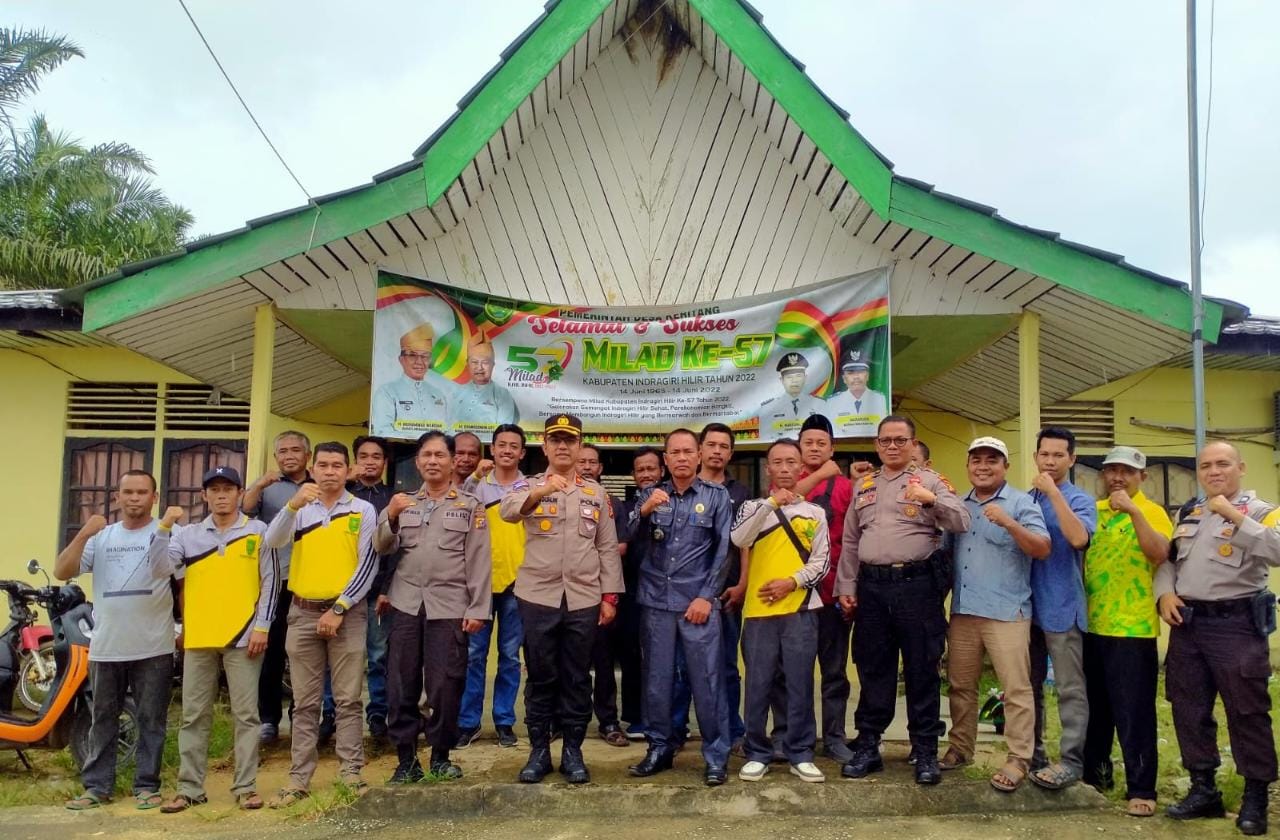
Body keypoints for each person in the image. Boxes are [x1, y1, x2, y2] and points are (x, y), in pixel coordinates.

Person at [1157, 441, 1280, 835]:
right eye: (1206, 465)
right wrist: (1165, 593)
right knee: (1188, 709)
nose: (1214, 471)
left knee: (1246, 712)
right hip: (1189, 625)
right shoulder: (1190, 510)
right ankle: (1203, 789)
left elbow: (1278, 550)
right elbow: (1168, 561)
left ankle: (1256, 798)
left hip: (1236, 624)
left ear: (1240, 467)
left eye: (1223, 464)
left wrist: (1233, 515)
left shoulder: (1263, 511)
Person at [837, 416, 969, 785]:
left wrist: (931, 502)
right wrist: (846, 586)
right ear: (877, 445)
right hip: (873, 588)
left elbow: (962, 519)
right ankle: (868, 745)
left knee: (921, 670)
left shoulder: (931, 481)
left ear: (913, 444)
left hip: (917, 587)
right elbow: (850, 541)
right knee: (873, 668)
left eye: (900, 440)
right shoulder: (864, 485)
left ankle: (924, 750)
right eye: (885, 441)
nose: (892, 447)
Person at [500, 414, 623, 784]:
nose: (563, 446)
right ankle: (539, 751)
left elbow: (606, 547)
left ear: (580, 444)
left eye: (570, 440)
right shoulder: (528, 485)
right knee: (540, 675)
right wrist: (540, 492)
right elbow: (508, 512)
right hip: (537, 596)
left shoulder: (594, 493)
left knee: (576, 677)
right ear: (545, 446)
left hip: (584, 597)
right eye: (556, 440)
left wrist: (610, 596)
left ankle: (573, 750)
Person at [148, 467, 278, 813]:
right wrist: (163, 527)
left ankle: (246, 786)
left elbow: (270, 582)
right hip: (200, 637)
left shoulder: (258, 531)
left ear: (239, 493)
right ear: (204, 496)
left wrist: (262, 626)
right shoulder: (187, 535)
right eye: (214, 490)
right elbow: (159, 569)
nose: (221, 495)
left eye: (228, 489)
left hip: (243, 636)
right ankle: (190, 788)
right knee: (193, 716)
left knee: (247, 716)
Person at [263, 442, 378, 807]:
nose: (330, 472)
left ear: (349, 471)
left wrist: (340, 608)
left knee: (347, 699)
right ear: (313, 469)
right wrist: (291, 505)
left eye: (337, 465)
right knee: (305, 702)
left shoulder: (363, 510)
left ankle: (350, 772)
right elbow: (272, 540)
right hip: (301, 613)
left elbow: (367, 565)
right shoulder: (299, 509)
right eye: (324, 465)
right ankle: (299, 778)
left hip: (347, 613)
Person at [375, 431, 491, 782]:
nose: (432, 461)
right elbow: (381, 547)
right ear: (418, 460)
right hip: (406, 604)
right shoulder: (402, 502)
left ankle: (440, 755)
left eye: (440, 455)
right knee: (401, 685)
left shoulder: (470, 506)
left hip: (450, 606)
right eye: (426, 455)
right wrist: (391, 517)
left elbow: (480, 560)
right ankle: (406, 759)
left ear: (454, 460)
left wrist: (478, 609)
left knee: (445, 685)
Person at [57, 471, 176, 811]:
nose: (134, 498)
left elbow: (182, 585)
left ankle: (147, 786)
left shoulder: (168, 532)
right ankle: (96, 787)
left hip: (155, 644)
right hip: (106, 645)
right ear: (117, 497)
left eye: (142, 492)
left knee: (152, 719)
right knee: (102, 717)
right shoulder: (102, 536)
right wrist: (84, 532)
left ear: (154, 497)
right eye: (127, 492)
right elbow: (63, 570)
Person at [626, 429, 733, 785]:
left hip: (696, 604)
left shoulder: (717, 497)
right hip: (656, 601)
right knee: (656, 681)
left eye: (689, 451)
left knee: (707, 680)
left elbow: (723, 551)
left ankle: (716, 755)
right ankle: (659, 748)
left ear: (699, 455)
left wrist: (707, 596)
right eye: (676, 452)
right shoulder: (650, 494)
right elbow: (626, 538)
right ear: (666, 459)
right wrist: (644, 511)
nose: (683, 458)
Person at [945, 436, 1051, 793]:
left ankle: (1019, 757)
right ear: (968, 465)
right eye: (976, 460)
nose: (983, 466)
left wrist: (1009, 523)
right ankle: (960, 749)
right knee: (961, 686)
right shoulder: (959, 505)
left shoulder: (1021, 503)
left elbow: (1042, 548)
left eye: (992, 460)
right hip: (964, 611)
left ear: (1005, 466)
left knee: (1016, 689)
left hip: (1007, 611)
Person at [729, 439, 830, 784]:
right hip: (758, 612)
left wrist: (792, 582)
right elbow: (740, 539)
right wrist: (772, 503)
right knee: (758, 683)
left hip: (800, 609)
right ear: (768, 468)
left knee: (800, 683)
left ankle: (799, 752)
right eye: (777, 462)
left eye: (791, 462)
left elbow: (822, 561)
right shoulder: (751, 507)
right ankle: (757, 751)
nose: (785, 468)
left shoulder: (815, 513)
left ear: (802, 468)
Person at [1081, 445, 1171, 818]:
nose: (1118, 477)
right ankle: (1096, 779)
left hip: (1132, 629)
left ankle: (1142, 787)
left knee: (1133, 712)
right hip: (1091, 625)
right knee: (1094, 710)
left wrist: (1134, 511)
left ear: (1142, 477)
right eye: (1111, 470)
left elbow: (1160, 554)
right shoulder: (1093, 511)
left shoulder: (1154, 512)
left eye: (1127, 471)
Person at [1027, 427, 1096, 791]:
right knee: (1027, 687)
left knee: (1069, 687)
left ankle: (1071, 760)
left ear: (1072, 459)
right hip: (1025, 609)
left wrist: (1053, 493)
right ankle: (1033, 755)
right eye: (1044, 454)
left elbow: (1078, 538)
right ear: (1035, 456)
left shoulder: (1079, 500)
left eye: (1058, 455)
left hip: (1062, 607)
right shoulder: (1025, 499)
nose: (1050, 461)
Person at [456, 424, 529, 749]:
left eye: (514, 446)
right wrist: (473, 478)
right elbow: (458, 504)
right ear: (493, 450)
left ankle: (504, 721)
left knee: (511, 657)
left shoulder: (531, 487)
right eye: (502, 445)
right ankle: (468, 722)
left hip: (518, 583)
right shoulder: (477, 487)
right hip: (479, 584)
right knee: (473, 656)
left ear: (522, 452)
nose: (507, 451)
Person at [319, 436, 395, 741]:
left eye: (376, 457)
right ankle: (330, 713)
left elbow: (394, 550)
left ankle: (378, 714)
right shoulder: (340, 496)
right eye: (363, 456)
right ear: (354, 462)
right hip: (340, 595)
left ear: (385, 463)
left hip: (377, 593)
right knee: (334, 659)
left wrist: (387, 589)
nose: (370, 462)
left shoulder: (393, 498)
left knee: (378, 656)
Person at [242, 430, 313, 744]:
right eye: (282, 451)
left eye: (295, 450)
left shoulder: (318, 483)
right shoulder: (268, 488)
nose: (289, 456)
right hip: (276, 580)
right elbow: (244, 513)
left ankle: (303, 717)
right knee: (270, 655)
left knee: (305, 655)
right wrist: (257, 484)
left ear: (307, 455)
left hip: (309, 581)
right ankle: (268, 719)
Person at [791, 413, 855, 763]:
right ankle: (794, 739)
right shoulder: (789, 480)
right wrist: (820, 473)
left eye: (821, 443)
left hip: (831, 593)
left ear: (833, 448)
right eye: (808, 443)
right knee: (793, 672)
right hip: (793, 595)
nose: (814, 448)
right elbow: (783, 500)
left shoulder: (846, 487)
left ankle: (834, 738)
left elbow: (851, 540)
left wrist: (849, 588)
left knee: (834, 672)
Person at [695, 423, 751, 753]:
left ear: (730, 453)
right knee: (684, 667)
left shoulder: (740, 492)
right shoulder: (683, 484)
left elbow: (745, 543)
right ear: (700, 449)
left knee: (727, 665)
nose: (717, 451)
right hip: (687, 591)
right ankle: (679, 729)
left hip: (728, 591)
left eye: (723, 446)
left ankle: (733, 729)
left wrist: (743, 582)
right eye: (711, 445)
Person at [577, 443, 629, 747]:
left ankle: (608, 721)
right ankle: (572, 720)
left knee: (605, 662)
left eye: (592, 462)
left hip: (602, 593)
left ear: (600, 468)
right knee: (571, 663)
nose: (586, 467)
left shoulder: (612, 503)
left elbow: (619, 547)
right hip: (567, 594)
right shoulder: (560, 498)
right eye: (581, 461)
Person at [617, 446, 664, 740]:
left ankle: (667, 719)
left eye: (651, 469)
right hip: (632, 589)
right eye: (640, 470)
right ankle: (635, 717)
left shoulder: (676, 501)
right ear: (633, 475)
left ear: (662, 470)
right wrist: (643, 512)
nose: (646, 474)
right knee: (632, 654)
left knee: (665, 657)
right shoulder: (625, 507)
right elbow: (621, 542)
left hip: (667, 590)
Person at [371, 324, 450, 437]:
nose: (419, 362)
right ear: (401, 359)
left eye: (425, 356)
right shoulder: (387, 392)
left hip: (432, 453)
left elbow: (445, 431)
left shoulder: (438, 394)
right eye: (412, 355)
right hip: (401, 452)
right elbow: (382, 432)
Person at [449, 334, 519, 429]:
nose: (479, 367)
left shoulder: (502, 394)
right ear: (467, 364)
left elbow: (504, 431)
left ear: (493, 365)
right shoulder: (457, 392)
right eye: (474, 362)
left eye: (485, 363)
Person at [826, 350, 888, 438]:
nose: (856, 377)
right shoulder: (833, 402)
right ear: (844, 378)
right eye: (851, 373)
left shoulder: (880, 399)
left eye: (860, 372)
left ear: (867, 376)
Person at [757, 352, 820, 435]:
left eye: (798, 376)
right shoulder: (768, 409)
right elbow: (765, 439)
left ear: (805, 378)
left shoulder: (819, 404)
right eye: (789, 377)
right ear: (781, 380)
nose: (794, 381)